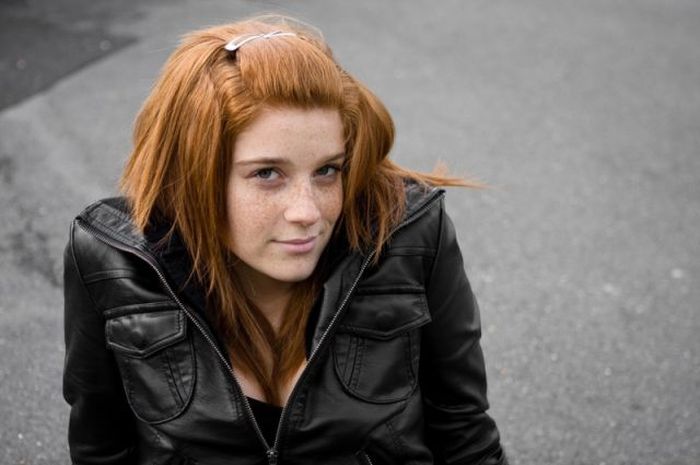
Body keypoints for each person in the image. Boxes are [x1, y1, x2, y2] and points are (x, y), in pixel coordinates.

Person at [62, 15, 508, 465]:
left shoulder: (408, 238)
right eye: (267, 174)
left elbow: (464, 434)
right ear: (194, 177)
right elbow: (101, 450)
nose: (308, 213)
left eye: (327, 170)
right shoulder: (113, 259)